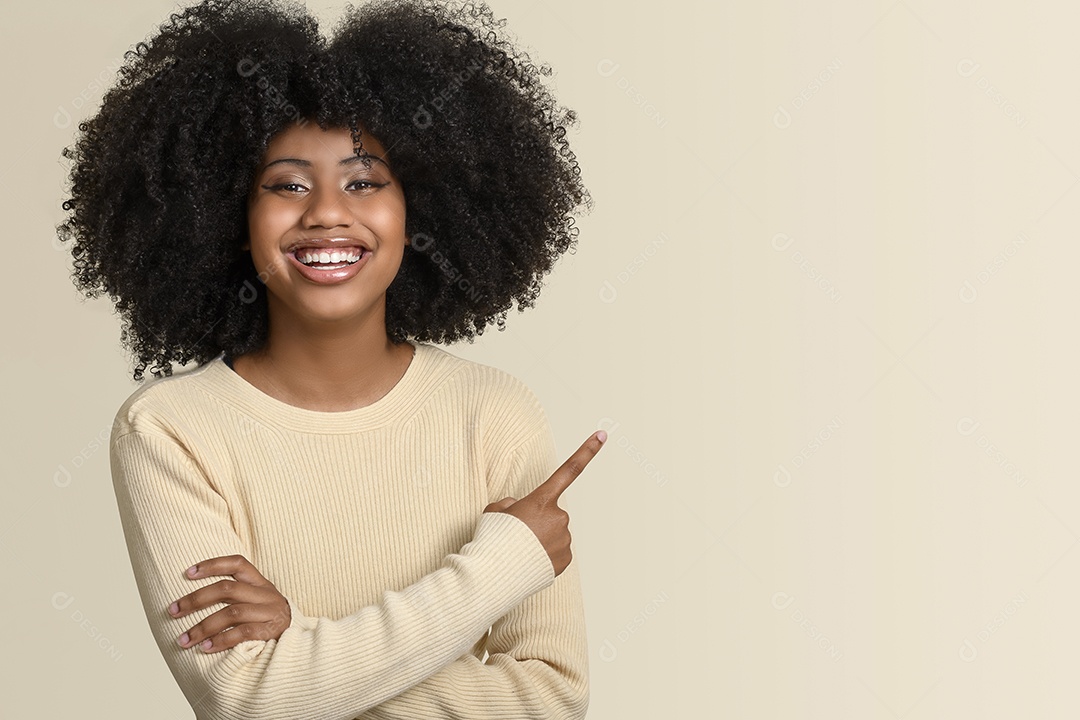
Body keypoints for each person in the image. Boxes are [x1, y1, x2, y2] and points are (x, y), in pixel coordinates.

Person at [55, 0, 602, 718]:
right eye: (287, 184)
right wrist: (504, 566)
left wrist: (299, 647)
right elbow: (247, 699)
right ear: (229, 216)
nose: (326, 213)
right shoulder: (170, 429)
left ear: (418, 209)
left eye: (363, 181)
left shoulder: (494, 414)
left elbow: (551, 698)